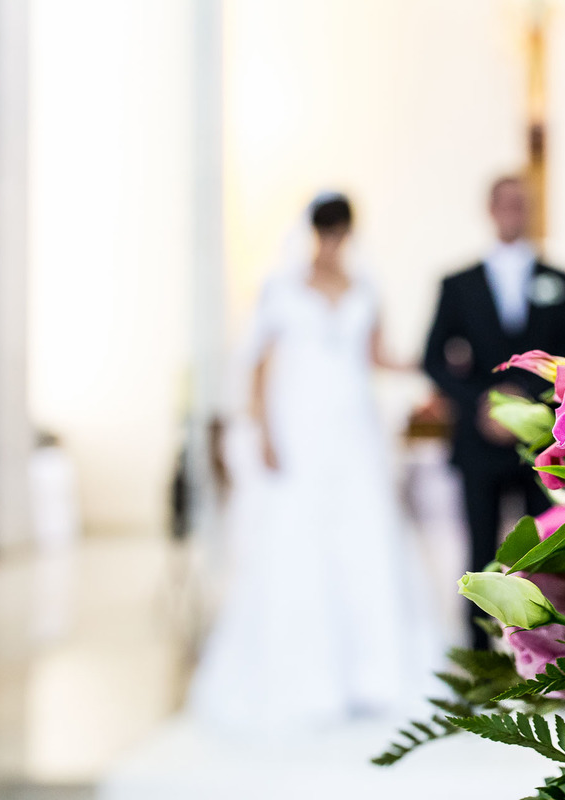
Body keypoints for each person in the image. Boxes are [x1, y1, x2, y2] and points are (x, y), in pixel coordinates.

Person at [191, 193, 429, 730]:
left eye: (339, 231)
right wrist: (264, 430)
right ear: (312, 233)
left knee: (365, 534)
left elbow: (376, 355)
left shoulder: (366, 289)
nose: (332, 242)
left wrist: (431, 361)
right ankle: (308, 673)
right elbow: (257, 365)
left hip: (354, 428)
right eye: (325, 231)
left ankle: (372, 673)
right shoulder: (280, 288)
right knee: (298, 539)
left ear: (349, 233)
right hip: (299, 426)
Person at [424, 176, 565, 649]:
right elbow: (433, 357)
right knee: (477, 549)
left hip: (539, 442)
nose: (513, 211)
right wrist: (483, 402)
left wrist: (526, 397)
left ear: (531, 209)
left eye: (522, 203)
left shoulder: (563, 281)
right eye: (505, 203)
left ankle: (548, 653)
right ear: (490, 209)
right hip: (478, 441)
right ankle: (479, 659)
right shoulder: (458, 284)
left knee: (544, 549)